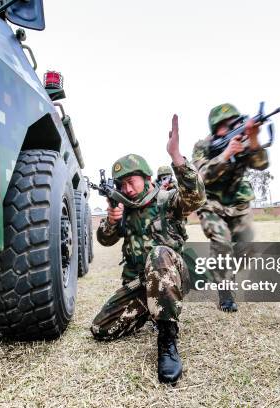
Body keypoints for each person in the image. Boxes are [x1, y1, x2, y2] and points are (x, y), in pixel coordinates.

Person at [90, 115, 205, 384]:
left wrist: (176, 157)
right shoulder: (124, 210)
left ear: (147, 178)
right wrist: (111, 220)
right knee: (100, 329)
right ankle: (153, 308)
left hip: (173, 274)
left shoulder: (167, 200)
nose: (127, 189)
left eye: (132, 182)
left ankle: (167, 338)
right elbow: (105, 240)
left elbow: (196, 198)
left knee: (158, 253)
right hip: (141, 284)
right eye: (122, 185)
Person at [191, 103, 269, 312]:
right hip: (211, 204)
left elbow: (261, 164)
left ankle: (220, 269)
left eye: (234, 123)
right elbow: (200, 176)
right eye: (225, 125)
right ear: (215, 128)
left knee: (246, 248)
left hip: (238, 202)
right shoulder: (202, 146)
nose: (231, 127)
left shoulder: (243, 141)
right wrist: (225, 155)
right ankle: (226, 293)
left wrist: (253, 139)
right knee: (222, 244)